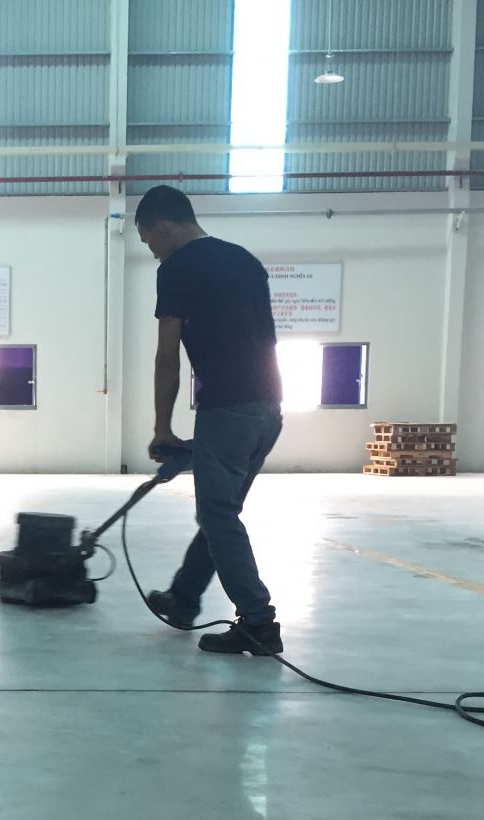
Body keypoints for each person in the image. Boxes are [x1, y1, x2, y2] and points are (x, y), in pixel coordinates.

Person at [136, 184, 284, 655]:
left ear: (161, 226)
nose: (152, 252)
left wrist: (162, 428)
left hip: (228, 407)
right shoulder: (244, 260)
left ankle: (258, 622)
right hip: (268, 409)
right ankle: (183, 598)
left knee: (217, 514)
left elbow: (167, 357)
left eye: (148, 241)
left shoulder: (177, 268)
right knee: (220, 511)